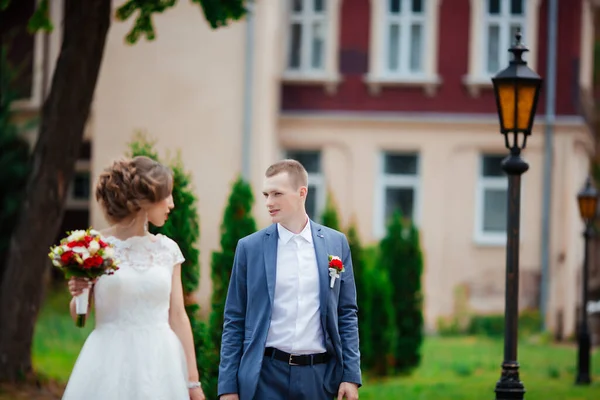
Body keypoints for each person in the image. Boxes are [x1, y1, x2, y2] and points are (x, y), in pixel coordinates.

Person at [63, 156, 205, 400]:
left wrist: (193, 383)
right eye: (166, 195)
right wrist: (80, 293)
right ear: (146, 199)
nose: (171, 203)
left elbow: (178, 316)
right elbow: (80, 317)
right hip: (107, 361)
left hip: (160, 364)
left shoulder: (167, 250)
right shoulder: (95, 247)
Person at [218, 159, 361, 400]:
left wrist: (350, 375)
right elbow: (234, 318)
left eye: (277, 194)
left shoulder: (336, 243)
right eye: (265, 194)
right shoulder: (249, 248)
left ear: (301, 193)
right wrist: (228, 387)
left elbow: (346, 313)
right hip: (265, 377)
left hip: (319, 378)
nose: (268, 202)